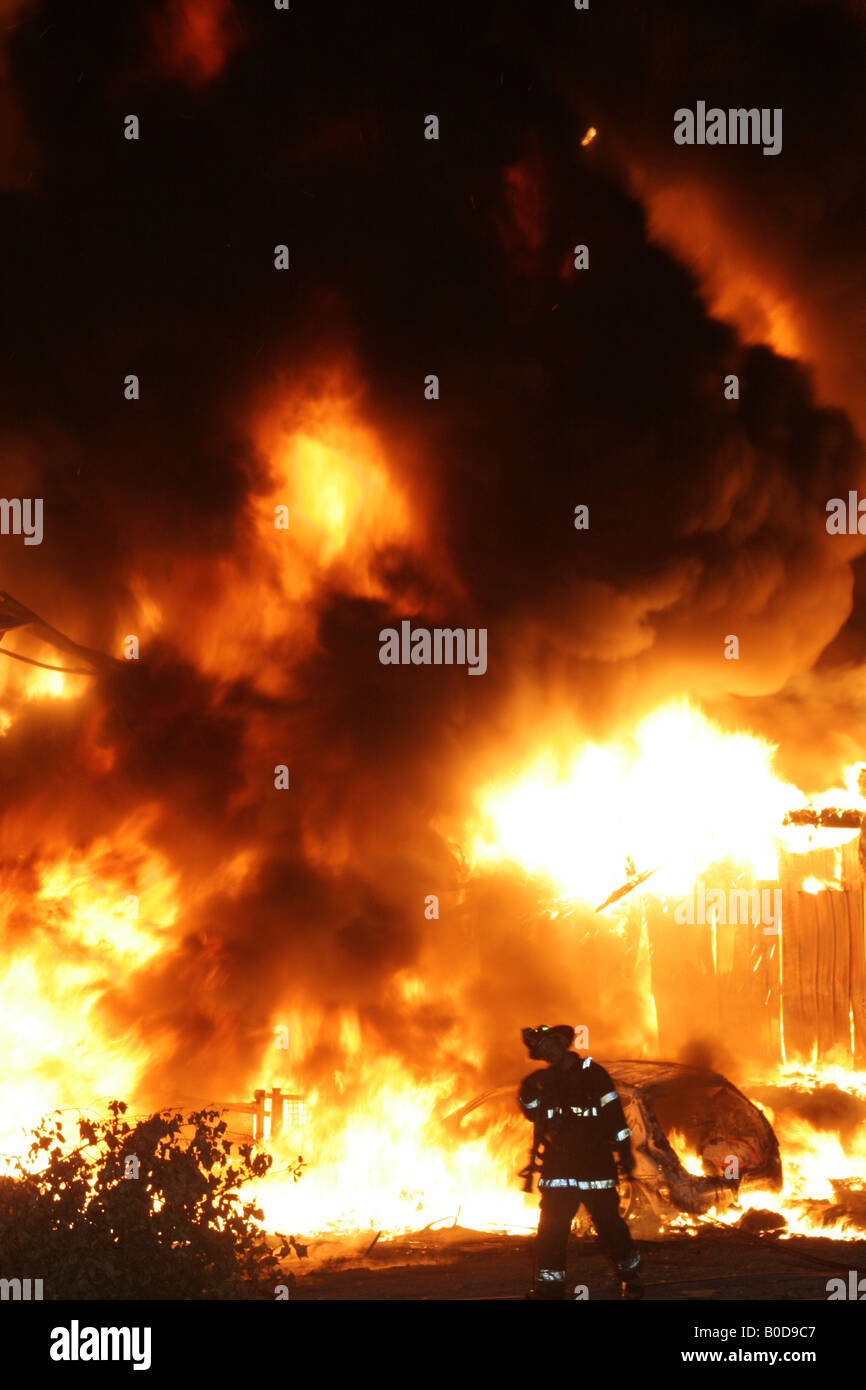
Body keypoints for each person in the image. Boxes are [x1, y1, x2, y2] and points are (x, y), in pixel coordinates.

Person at [518, 1023, 642, 1300]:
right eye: (541, 1050)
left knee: (610, 1227)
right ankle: (549, 1288)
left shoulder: (593, 1074)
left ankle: (631, 1278)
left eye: (549, 1045)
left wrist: (624, 1153)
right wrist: (526, 1093)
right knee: (550, 1231)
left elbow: (614, 1117)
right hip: (559, 1166)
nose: (546, 1052)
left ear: (562, 1043)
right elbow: (533, 1115)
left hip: (594, 1163)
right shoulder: (543, 1080)